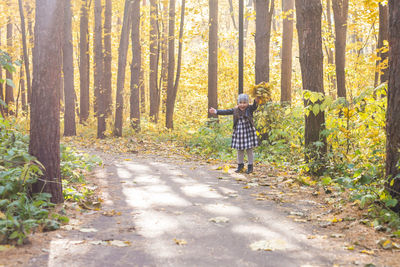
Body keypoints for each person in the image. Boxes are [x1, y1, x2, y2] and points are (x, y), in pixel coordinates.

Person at [209, 94, 260, 174]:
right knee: (239, 150)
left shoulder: (249, 109)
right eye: (240, 102)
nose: (242, 105)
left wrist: (256, 101)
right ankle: (240, 165)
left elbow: (254, 106)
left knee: (249, 149)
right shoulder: (235, 110)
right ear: (237, 103)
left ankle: (250, 166)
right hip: (239, 133)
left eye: (244, 103)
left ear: (247, 103)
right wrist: (216, 111)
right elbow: (226, 112)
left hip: (248, 132)